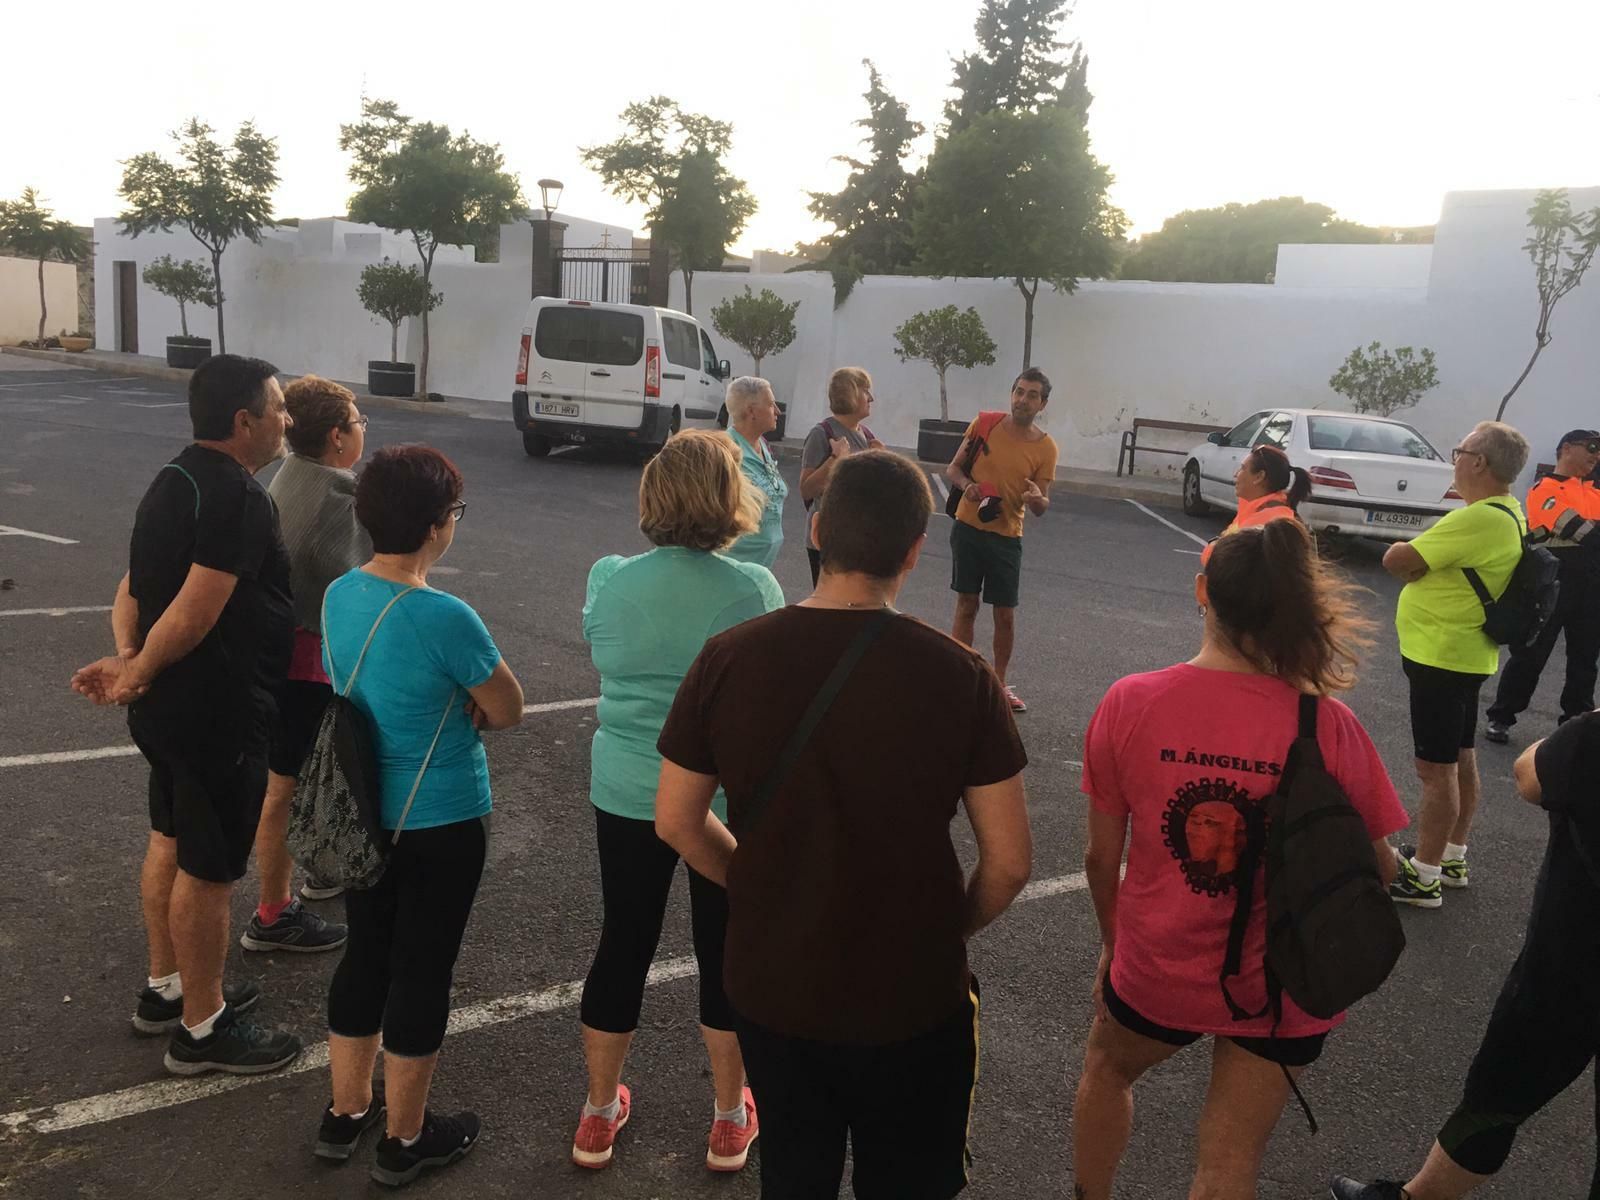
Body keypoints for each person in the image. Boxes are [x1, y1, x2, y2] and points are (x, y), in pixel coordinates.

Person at [656, 449, 1033, 1200]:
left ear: (819, 530)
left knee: (795, 1174)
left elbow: (676, 820)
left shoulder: (728, 660)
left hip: (774, 984)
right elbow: (1011, 862)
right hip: (913, 993)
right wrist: (946, 928)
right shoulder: (960, 677)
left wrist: (754, 883)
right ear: (916, 550)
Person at [1073, 520, 1407, 1200]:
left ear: (1203, 592)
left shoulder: (1131, 703)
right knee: (1228, 1160)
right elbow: (1384, 869)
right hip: (1283, 985)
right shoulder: (1328, 725)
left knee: (1106, 1073)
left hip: (1160, 968)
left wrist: (1115, 946)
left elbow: (1101, 858)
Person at [70, 354, 303, 1075]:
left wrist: (131, 660)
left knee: (170, 836)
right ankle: (203, 1031)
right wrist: (137, 669)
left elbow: (133, 588)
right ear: (244, 421)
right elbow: (199, 610)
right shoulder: (235, 495)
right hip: (216, 715)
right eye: (278, 407)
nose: (286, 420)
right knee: (208, 870)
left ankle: (168, 987)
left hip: (172, 709)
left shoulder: (172, 480)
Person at [573, 429, 785, 1173]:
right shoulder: (752, 589)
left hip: (627, 788)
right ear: (730, 500)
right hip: (720, 800)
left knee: (623, 939)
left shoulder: (610, 578)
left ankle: (598, 1112)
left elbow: (602, 645)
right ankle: (729, 1116)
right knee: (724, 950)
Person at [315, 445, 525, 1186]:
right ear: (439, 526)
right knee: (422, 971)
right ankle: (406, 1139)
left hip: (361, 812)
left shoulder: (340, 595)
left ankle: (345, 1112)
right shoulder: (445, 615)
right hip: (440, 817)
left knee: (366, 953)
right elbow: (507, 706)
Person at [1330, 711, 1600, 1200]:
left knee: (1497, 1097)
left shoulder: (1591, 738)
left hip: (1570, 971)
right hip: (1570, 968)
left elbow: (1529, 774)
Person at [240, 376, 369, 955]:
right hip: (304, 661)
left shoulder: (286, 476)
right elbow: (375, 579)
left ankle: (318, 867)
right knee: (288, 786)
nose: (364, 428)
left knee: (301, 779)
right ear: (338, 437)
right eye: (359, 420)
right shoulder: (340, 498)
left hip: (276, 655)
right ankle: (272, 911)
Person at [1382, 420, 1530, 908]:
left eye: (1459, 450)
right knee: (1460, 756)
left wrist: (1414, 562)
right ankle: (1449, 854)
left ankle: (1424, 876)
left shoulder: (1477, 518)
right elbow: (1421, 562)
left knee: (1434, 767)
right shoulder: (1508, 511)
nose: (1455, 460)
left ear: (1479, 462)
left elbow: (1399, 558)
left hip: (1441, 656)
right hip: (1464, 655)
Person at [945, 368, 1059, 713]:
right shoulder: (984, 425)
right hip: (968, 530)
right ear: (1011, 393)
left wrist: (1036, 498)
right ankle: (961, 678)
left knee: (1004, 614)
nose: (1023, 400)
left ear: (1043, 403)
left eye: (1033, 395)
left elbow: (1042, 505)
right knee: (967, 604)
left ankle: (998, 683)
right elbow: (953, 469)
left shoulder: (1046, 448)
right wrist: (968, 487)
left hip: (1007, 538)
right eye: (1019, 392)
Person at [1484, 429, 1600, 743]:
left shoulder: (1594, 492)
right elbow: (1582, 532)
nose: (1595, 455)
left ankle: (1575, 727)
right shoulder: (1545, 488)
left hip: (1592, 586)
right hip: (1555, 581)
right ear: (1566, 448)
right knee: (1532, 653)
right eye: (1591, 447)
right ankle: (1501, 717)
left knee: (1585, 661)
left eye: (1599, 450)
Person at [798, 366, 880, 585]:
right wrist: (835, 459)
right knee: (830, 610)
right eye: (865, 391)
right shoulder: (822, 433)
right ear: (850, 394)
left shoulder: (867, 435)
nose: (871, 398)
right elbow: (806, 489)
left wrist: (882, 461)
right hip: (827, 539)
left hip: (859, 538)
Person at [1199, 443, 1311, 565]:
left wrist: (1213, 546)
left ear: (1259, 476)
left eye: (1242, 468)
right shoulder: (1259, 509)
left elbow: (1222, 562)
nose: (1236, 474)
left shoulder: (1267, 521)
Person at [722, 376, 789, 571]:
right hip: (733, 565)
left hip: (760, 565)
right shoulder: (727, 449)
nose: (778, 411)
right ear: (751, 411)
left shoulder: (762, 445)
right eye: (770, 405)